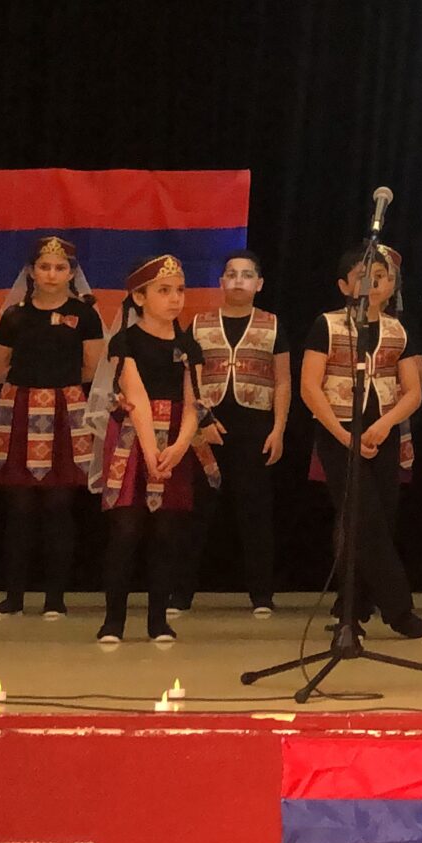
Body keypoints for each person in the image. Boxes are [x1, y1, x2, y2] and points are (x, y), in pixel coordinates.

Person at [299, 244, 422, 639]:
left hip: (383, 433)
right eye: (363, 274)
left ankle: (352, 609)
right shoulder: (327, 324)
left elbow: (412, 390)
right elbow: (311, 387)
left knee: (381, 519)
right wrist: (345, 435)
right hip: (338, 432)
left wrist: (385, 425)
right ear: (345, 284)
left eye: (381, 275)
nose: (372, 281)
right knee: (363, 521)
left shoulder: (398, 330)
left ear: (391, 284)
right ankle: (399, 612)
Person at [95, 255, 220, 644]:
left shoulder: (188, 344)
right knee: (126, 531)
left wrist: (181, 446)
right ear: (139, 296)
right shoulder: (126, 341)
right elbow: (137, 400)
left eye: (179, 290)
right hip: (136, 441)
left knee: (167, 534)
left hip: (175, 446)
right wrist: (152, 456)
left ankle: (157, 621)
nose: (174, 299)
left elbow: (193, 400)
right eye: (164, 291)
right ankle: (113, 620)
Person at [0, 235, 101, 620]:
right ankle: (13, 597)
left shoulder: (86, 315)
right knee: (19, 507)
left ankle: (55, 599)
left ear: (71, 273)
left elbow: (92, 367)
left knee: (59, 505)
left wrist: (58, 388)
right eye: (44, 266)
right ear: (32, 272)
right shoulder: (14, 314)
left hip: (66, 410)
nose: (52, 274)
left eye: (60, 267)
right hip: (19, 408)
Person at [181, 251, 289, 616]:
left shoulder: (273, 324)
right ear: (221, 282)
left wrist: (278, 428)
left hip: (254, 426)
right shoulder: (198, 323)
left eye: (246, 274)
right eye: (231, 274)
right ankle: (180, 594)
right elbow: (188, 379)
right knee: (195, 511)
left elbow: (283, 379)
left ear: (259, 284)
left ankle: (261, 595)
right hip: (206, 426)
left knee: (255, 512)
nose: (238, 280)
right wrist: (199, 419)